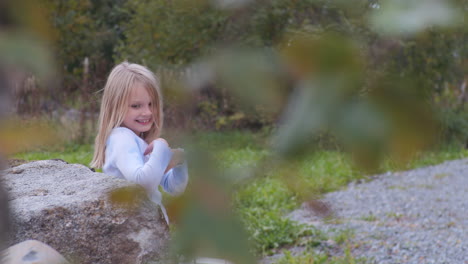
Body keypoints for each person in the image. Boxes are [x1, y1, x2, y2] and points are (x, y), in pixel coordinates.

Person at [90, 62, 188, 224]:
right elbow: (143, 182)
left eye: (151, 104)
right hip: (131, 230)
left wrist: (179, 162)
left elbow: (174, 188)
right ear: (115, 106)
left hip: (146, 228)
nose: (147, 112)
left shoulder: (138, 141)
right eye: (136, 106)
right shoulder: (121, 138)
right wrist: (161, 146)